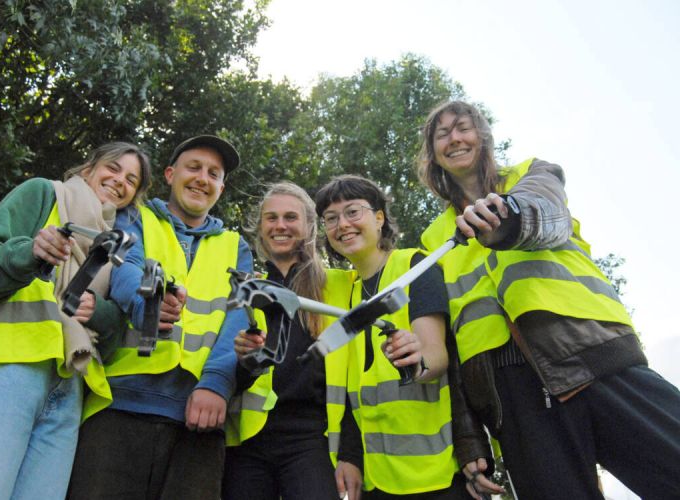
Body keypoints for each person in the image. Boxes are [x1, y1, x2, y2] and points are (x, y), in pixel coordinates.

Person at [417, 99, 680, 500]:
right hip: (512, 398)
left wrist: (506, 216)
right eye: (442, 134)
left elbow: (544, 211)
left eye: (463, 127)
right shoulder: (434, 238)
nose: (454, 138)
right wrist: (470, 436)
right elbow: (449, 344)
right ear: (433, 153)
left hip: (591, 356)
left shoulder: (532, 174)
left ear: (483, 137)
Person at [0, 142, 150, 499]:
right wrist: (29, 252)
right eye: (113, 168)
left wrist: (99, 311)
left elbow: (115, 330)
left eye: (132, 180)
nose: (120, 181)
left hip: (66, 390)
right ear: (88, 168)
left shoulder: (115, 248)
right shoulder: (44, 194)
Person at [67, 135, 253, 500]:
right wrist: (147, 306)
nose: (203, 178)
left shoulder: (236, 247)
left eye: (213, 173)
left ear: (221, 187)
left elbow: (238, 317)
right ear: (170, 174)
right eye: (194, 167)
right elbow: (125, 269)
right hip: (119, 407)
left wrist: (216, 384)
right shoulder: (134, 217)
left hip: (198, 417)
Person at [315, 174, 475, 499]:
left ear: (379, 217)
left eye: (352, 212)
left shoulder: (414, 266)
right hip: (377, 478)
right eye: (330, 218)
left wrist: (418, 360)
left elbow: (436, 356)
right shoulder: (344, 293)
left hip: (437, 474)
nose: (342, 224)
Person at [222, 181, 362, 500]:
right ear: (260, 227)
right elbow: (236, 376)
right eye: (271, 218)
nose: (280, 225)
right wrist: (246, 363)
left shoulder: (341, 287)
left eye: (290, 217)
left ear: (310, 226)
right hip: (248, 443)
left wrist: (351, 454)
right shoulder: (246, 290)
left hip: (313, 441)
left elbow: (359, 378)